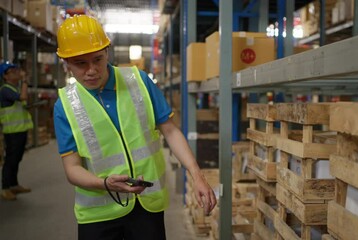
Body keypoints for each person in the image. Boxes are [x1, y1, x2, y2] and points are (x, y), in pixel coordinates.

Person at [53, 15, 217, 240]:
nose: (91, 70)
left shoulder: (137, 81)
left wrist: (196, 175)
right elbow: (72, 168)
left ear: (107, 52)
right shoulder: (65, 106)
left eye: (97, 60)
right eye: (81, 63)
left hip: (146, 205)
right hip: (98, 214)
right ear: (66, 63)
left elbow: (169, 130)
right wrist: (105, 183)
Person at [0, 62, 33, 200]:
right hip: (12, 132)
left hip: (20, 130)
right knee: (11, 159)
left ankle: (13, 185)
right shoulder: (5, 89)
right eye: (12, 71)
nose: (17, 73)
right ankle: (5, 188)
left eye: (16, 70)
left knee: (17, 158)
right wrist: (25, 80)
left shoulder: (13, 88)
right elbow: (23, 97)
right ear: (5, 76)